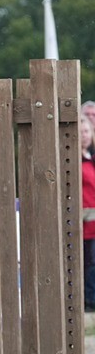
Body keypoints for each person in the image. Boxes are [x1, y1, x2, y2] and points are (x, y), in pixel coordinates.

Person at [81, 117, 95, 311]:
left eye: (87, 132)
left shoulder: (91, 159)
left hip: (93, 222)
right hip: (82, 223)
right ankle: (88, 300)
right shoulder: (74, 160)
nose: (84, 136)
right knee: (87, 262)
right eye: (81, 132)